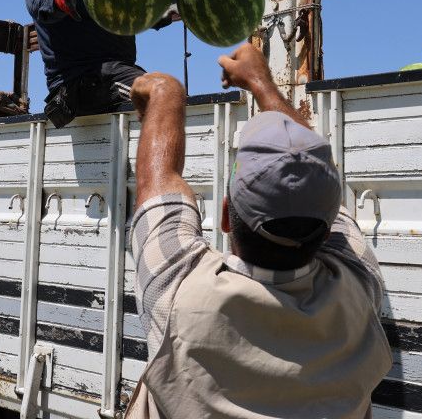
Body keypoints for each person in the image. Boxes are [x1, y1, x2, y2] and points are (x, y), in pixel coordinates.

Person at [125, 43, 391, 419]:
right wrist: (262, 85)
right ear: (330, 222)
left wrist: (166, 91)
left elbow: (159, 180)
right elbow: (311, 176)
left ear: (225, 217)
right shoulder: (359, 292)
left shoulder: (178, 293)